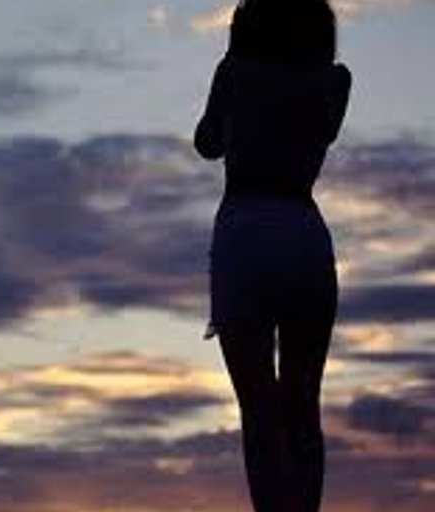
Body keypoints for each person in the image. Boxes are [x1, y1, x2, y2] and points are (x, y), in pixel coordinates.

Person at [193, 1, 352, 511]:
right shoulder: (334, 82)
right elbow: (324, 132)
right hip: (303, 231)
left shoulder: (235, 72)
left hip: (244, 232)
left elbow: (207, 143)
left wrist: (233, 59)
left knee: (258, 409)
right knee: (303, 405)